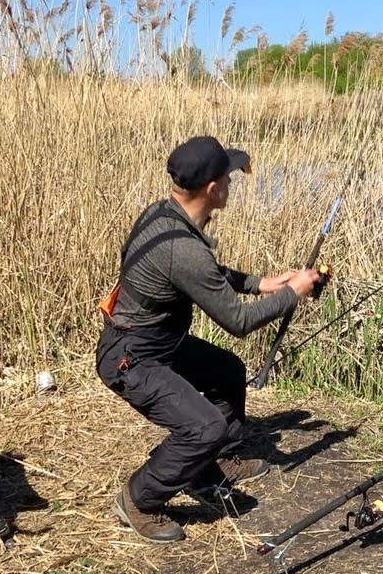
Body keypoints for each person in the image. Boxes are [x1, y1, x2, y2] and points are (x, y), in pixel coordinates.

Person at [95, 135, 322, 543]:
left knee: (228, 372)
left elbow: (205, 274)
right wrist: (294, 292)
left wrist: (264, 283)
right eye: (228, 179)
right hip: (132, 356)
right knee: (204, 428)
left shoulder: (165, 214)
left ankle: (211, 464)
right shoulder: (183, 249)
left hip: (160, 341)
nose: (232, 184)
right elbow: (238, 321)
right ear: (213, 189)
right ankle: (138, 499)